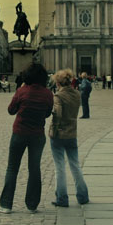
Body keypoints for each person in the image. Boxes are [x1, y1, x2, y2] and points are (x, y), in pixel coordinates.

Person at [0, 62, 53, 214]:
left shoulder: (22, 91)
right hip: (37, 135)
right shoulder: (48, 93)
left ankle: (6, 204)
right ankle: (32, 204)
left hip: (19, 133)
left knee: (12, 168)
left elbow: (11, 110)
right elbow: (48, 113)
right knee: (34, 169)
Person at [48, 69, 89, 208]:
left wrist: (54, 128)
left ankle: (62, 198)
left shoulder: (58, 96)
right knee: (75, 165)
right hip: (72, 133)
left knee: (59, 167)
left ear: (58, 82)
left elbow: (58, 114)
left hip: (59, 135)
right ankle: (83, 196)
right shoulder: (77, 94)